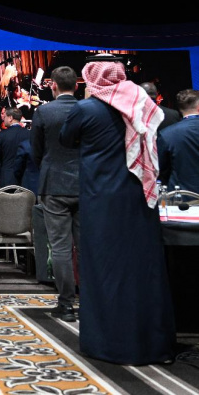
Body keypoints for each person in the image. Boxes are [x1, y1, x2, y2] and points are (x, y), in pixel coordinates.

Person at [59, 59, 175, 365]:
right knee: (141, 267)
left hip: (101, 199)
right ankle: (151, 343)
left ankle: (109, 343)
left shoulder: (86, 109)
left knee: (104, 268)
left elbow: (66, 139)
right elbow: (159, 148)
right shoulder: (141, 103)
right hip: (138, 197)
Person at [30, 66, 81, 323]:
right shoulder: (88, 109)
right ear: (77, 85)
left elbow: (36, 151)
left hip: (54, 184)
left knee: (60, 248)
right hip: (86, 185)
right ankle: (92, 302)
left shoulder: (44, 111)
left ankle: (66, 305)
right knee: (86, 248)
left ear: (52, 85)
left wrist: (48, 168)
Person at [0, 108, 28, 188]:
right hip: (25, 178)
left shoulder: (2, 135)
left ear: (10, 118)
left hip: (7, 178)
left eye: (5, 117)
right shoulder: (29, 134)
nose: (3, 119)